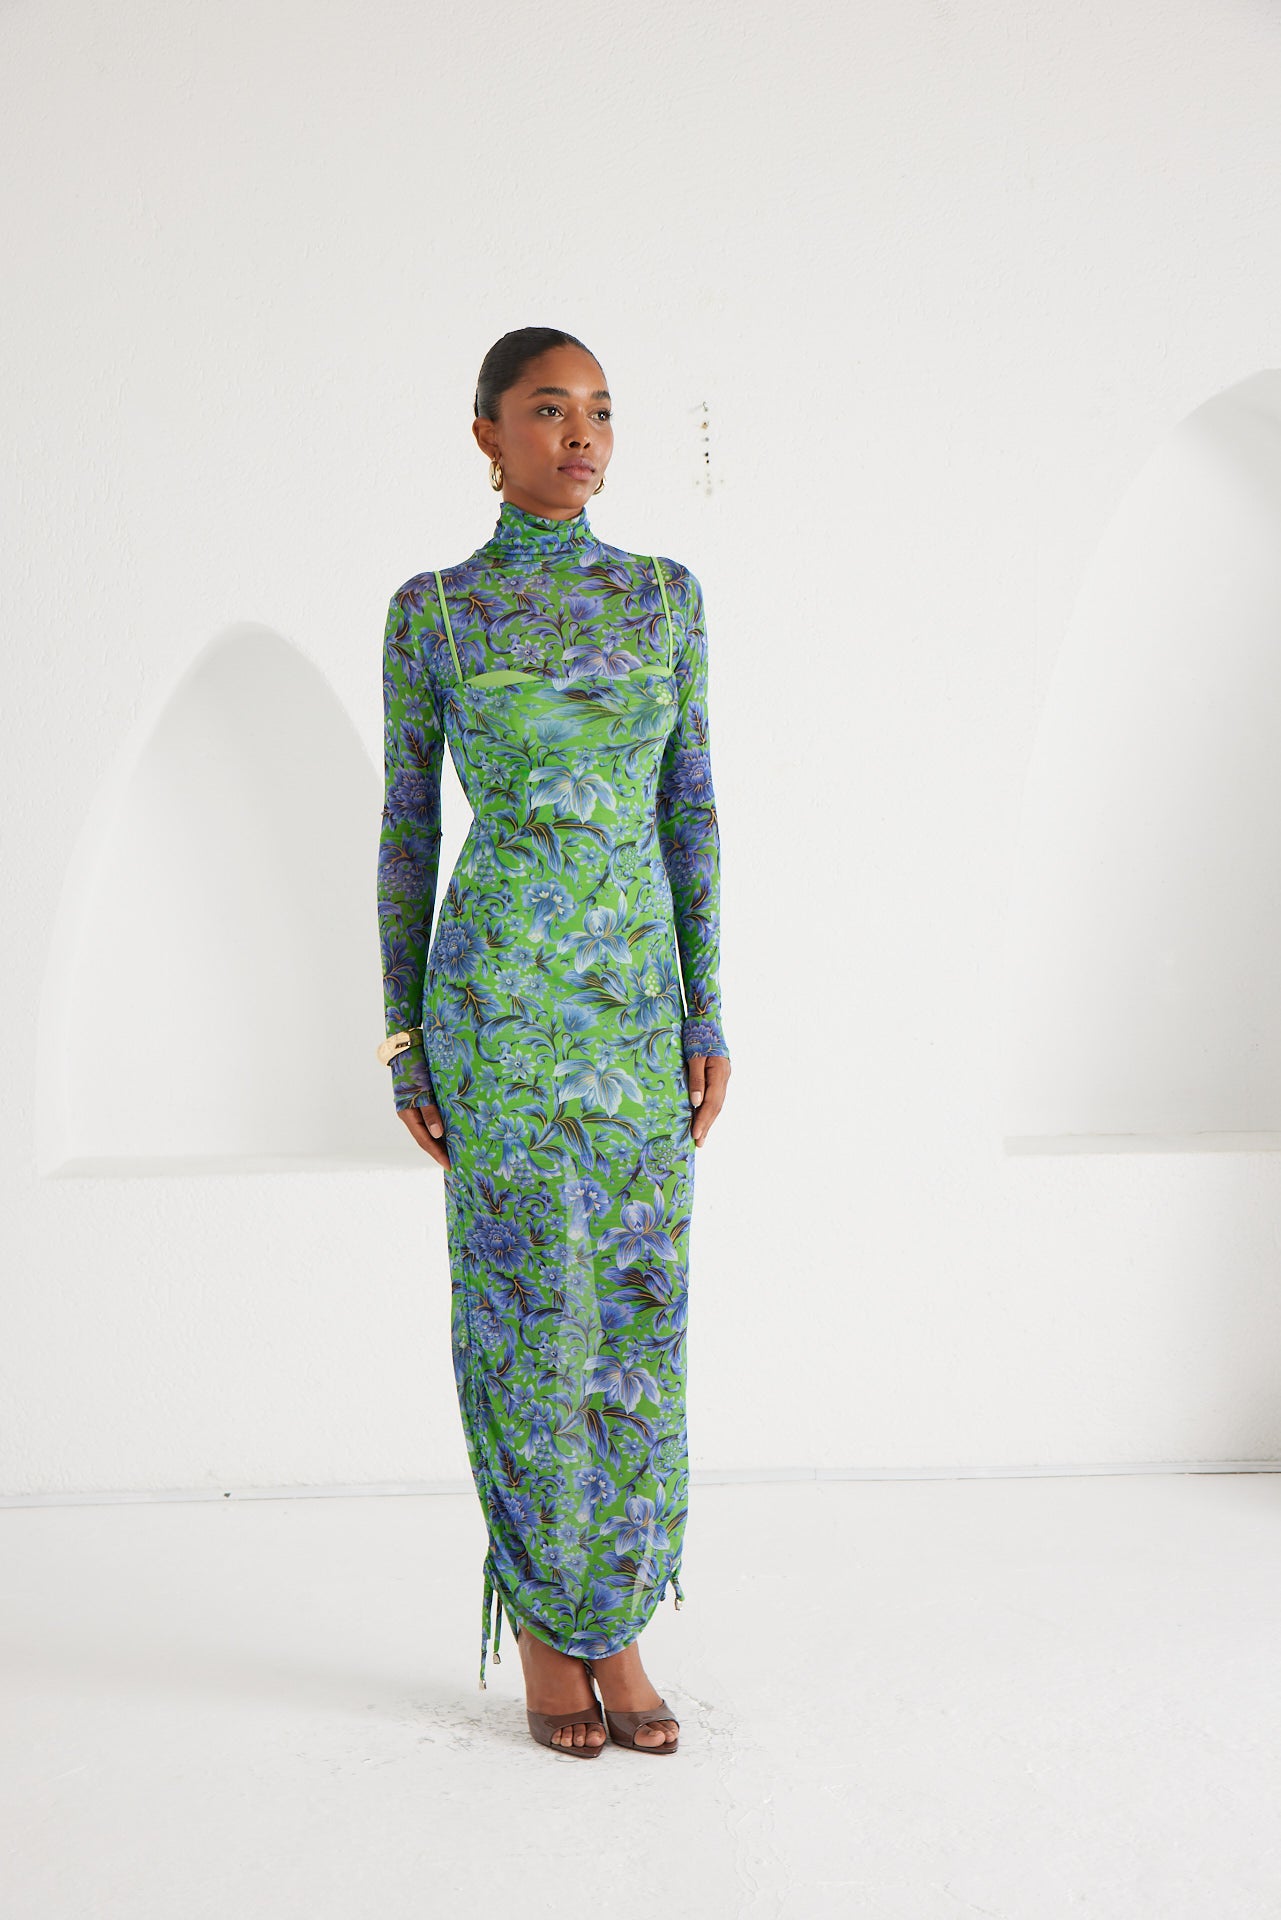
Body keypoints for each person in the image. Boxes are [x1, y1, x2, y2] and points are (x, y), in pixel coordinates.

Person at [376, 327, 731, 1757]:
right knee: (526, 1318)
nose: (580, 435)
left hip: (635, 1008)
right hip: (497, 1010)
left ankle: (619, 1622)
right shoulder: (435, 613)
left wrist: (707, 1005)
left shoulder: (664, 598)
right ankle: (541, 1623)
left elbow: (689, 809)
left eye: (598, 411)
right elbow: (407, 829)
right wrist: (404, 1038)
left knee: (639, 1315)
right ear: (487, 434)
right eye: (546, 409)